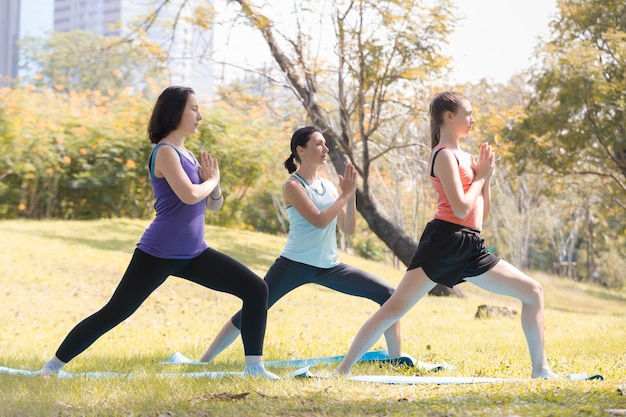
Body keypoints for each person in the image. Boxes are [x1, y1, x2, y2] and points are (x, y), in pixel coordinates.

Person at [40, 86, 278, 379]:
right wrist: (211, 180)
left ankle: (254, 367)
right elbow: (190, 195)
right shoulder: (164, 152)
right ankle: (52, 367)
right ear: (175, 111)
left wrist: (214, 184)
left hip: (194, 253)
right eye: (194, 109)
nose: (199, 116)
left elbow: (213, 205)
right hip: (159, 252)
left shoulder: (187, 153)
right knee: (116, 312)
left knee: (256, 288)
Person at [334, 92, 558, 379]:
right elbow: (461, 207)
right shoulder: (442, 155)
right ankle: (341, 371)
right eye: (468, 113)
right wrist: (479, 177)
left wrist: (486, 177)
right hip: (445, 241)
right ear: (449, 116)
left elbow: (481, 213)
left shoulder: (466, 156)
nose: (473, 119)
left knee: (533, 291)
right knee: (394, 309)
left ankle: (540, 369)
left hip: (471, 244)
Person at [199, 126, 403, 364]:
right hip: (293, 265)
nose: (325, 149)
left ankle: (398, 359)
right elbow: (319, 220)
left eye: (325, 144)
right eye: (319, 144)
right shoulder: (292, 186)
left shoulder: (328, 185)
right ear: (301, 151)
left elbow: (348, 228)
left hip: (329, 266)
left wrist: (351, 194)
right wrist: (344, 196)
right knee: (255, 308)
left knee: (389, 294)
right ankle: (204, 360)